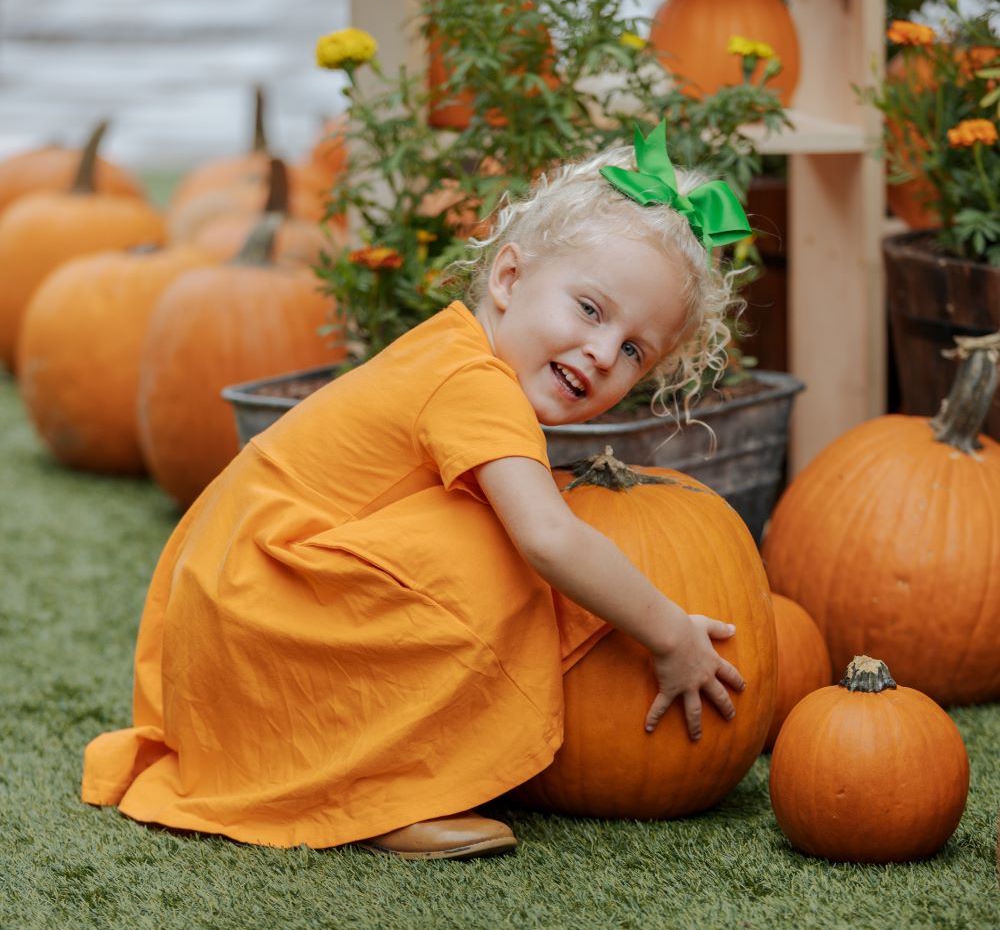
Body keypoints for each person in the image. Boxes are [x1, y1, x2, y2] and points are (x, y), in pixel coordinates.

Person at [82, 123, 750, 860]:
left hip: (230, 605)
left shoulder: (457, 349)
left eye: (633, 350)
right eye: (590, 309)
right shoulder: (474, 385)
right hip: (255, 615)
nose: (601, 351)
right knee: (503, 548)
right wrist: (667, 632)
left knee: (489, 527)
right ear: (508, 278)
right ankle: (378, 791)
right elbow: (551, 539)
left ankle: (385, 763)